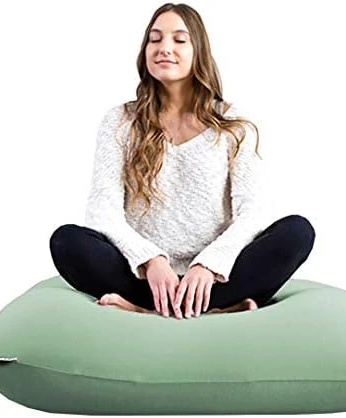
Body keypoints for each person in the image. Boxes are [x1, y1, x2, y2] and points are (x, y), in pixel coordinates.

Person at [49, 2, 316, 320]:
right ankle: (203, 308)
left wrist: (208, 265)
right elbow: (101, 212)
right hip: (142, 276)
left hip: (215, 278)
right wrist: (151, 260)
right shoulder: (120, 121)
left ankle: (149, 308)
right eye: (155, 39)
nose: (164, 48)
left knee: (297, 232)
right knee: (67, 241)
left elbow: (252, 214)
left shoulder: (234, 126)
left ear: (198, 51)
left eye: (179, 39)